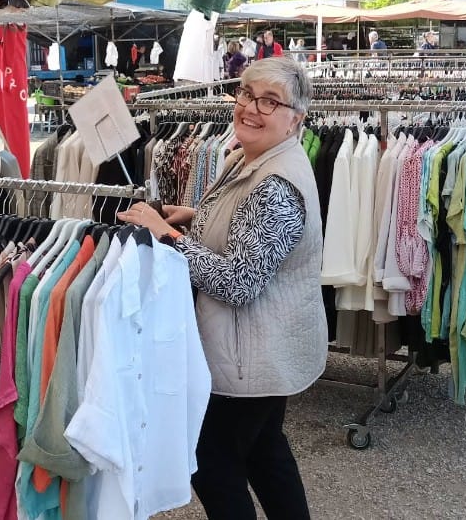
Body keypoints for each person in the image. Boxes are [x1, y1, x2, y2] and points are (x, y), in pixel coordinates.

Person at [118, 57, 323, 520]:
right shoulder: (250, 157)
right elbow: (243, 225)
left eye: (270, 101)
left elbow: (238, 280)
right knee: (263, 451)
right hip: (258, 351)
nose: (251, 107)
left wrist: (167, 237)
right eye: (247, 93)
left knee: (212, 464)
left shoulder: (276, 184)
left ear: (296, 119)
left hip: (247, 358)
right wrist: (191, 217)